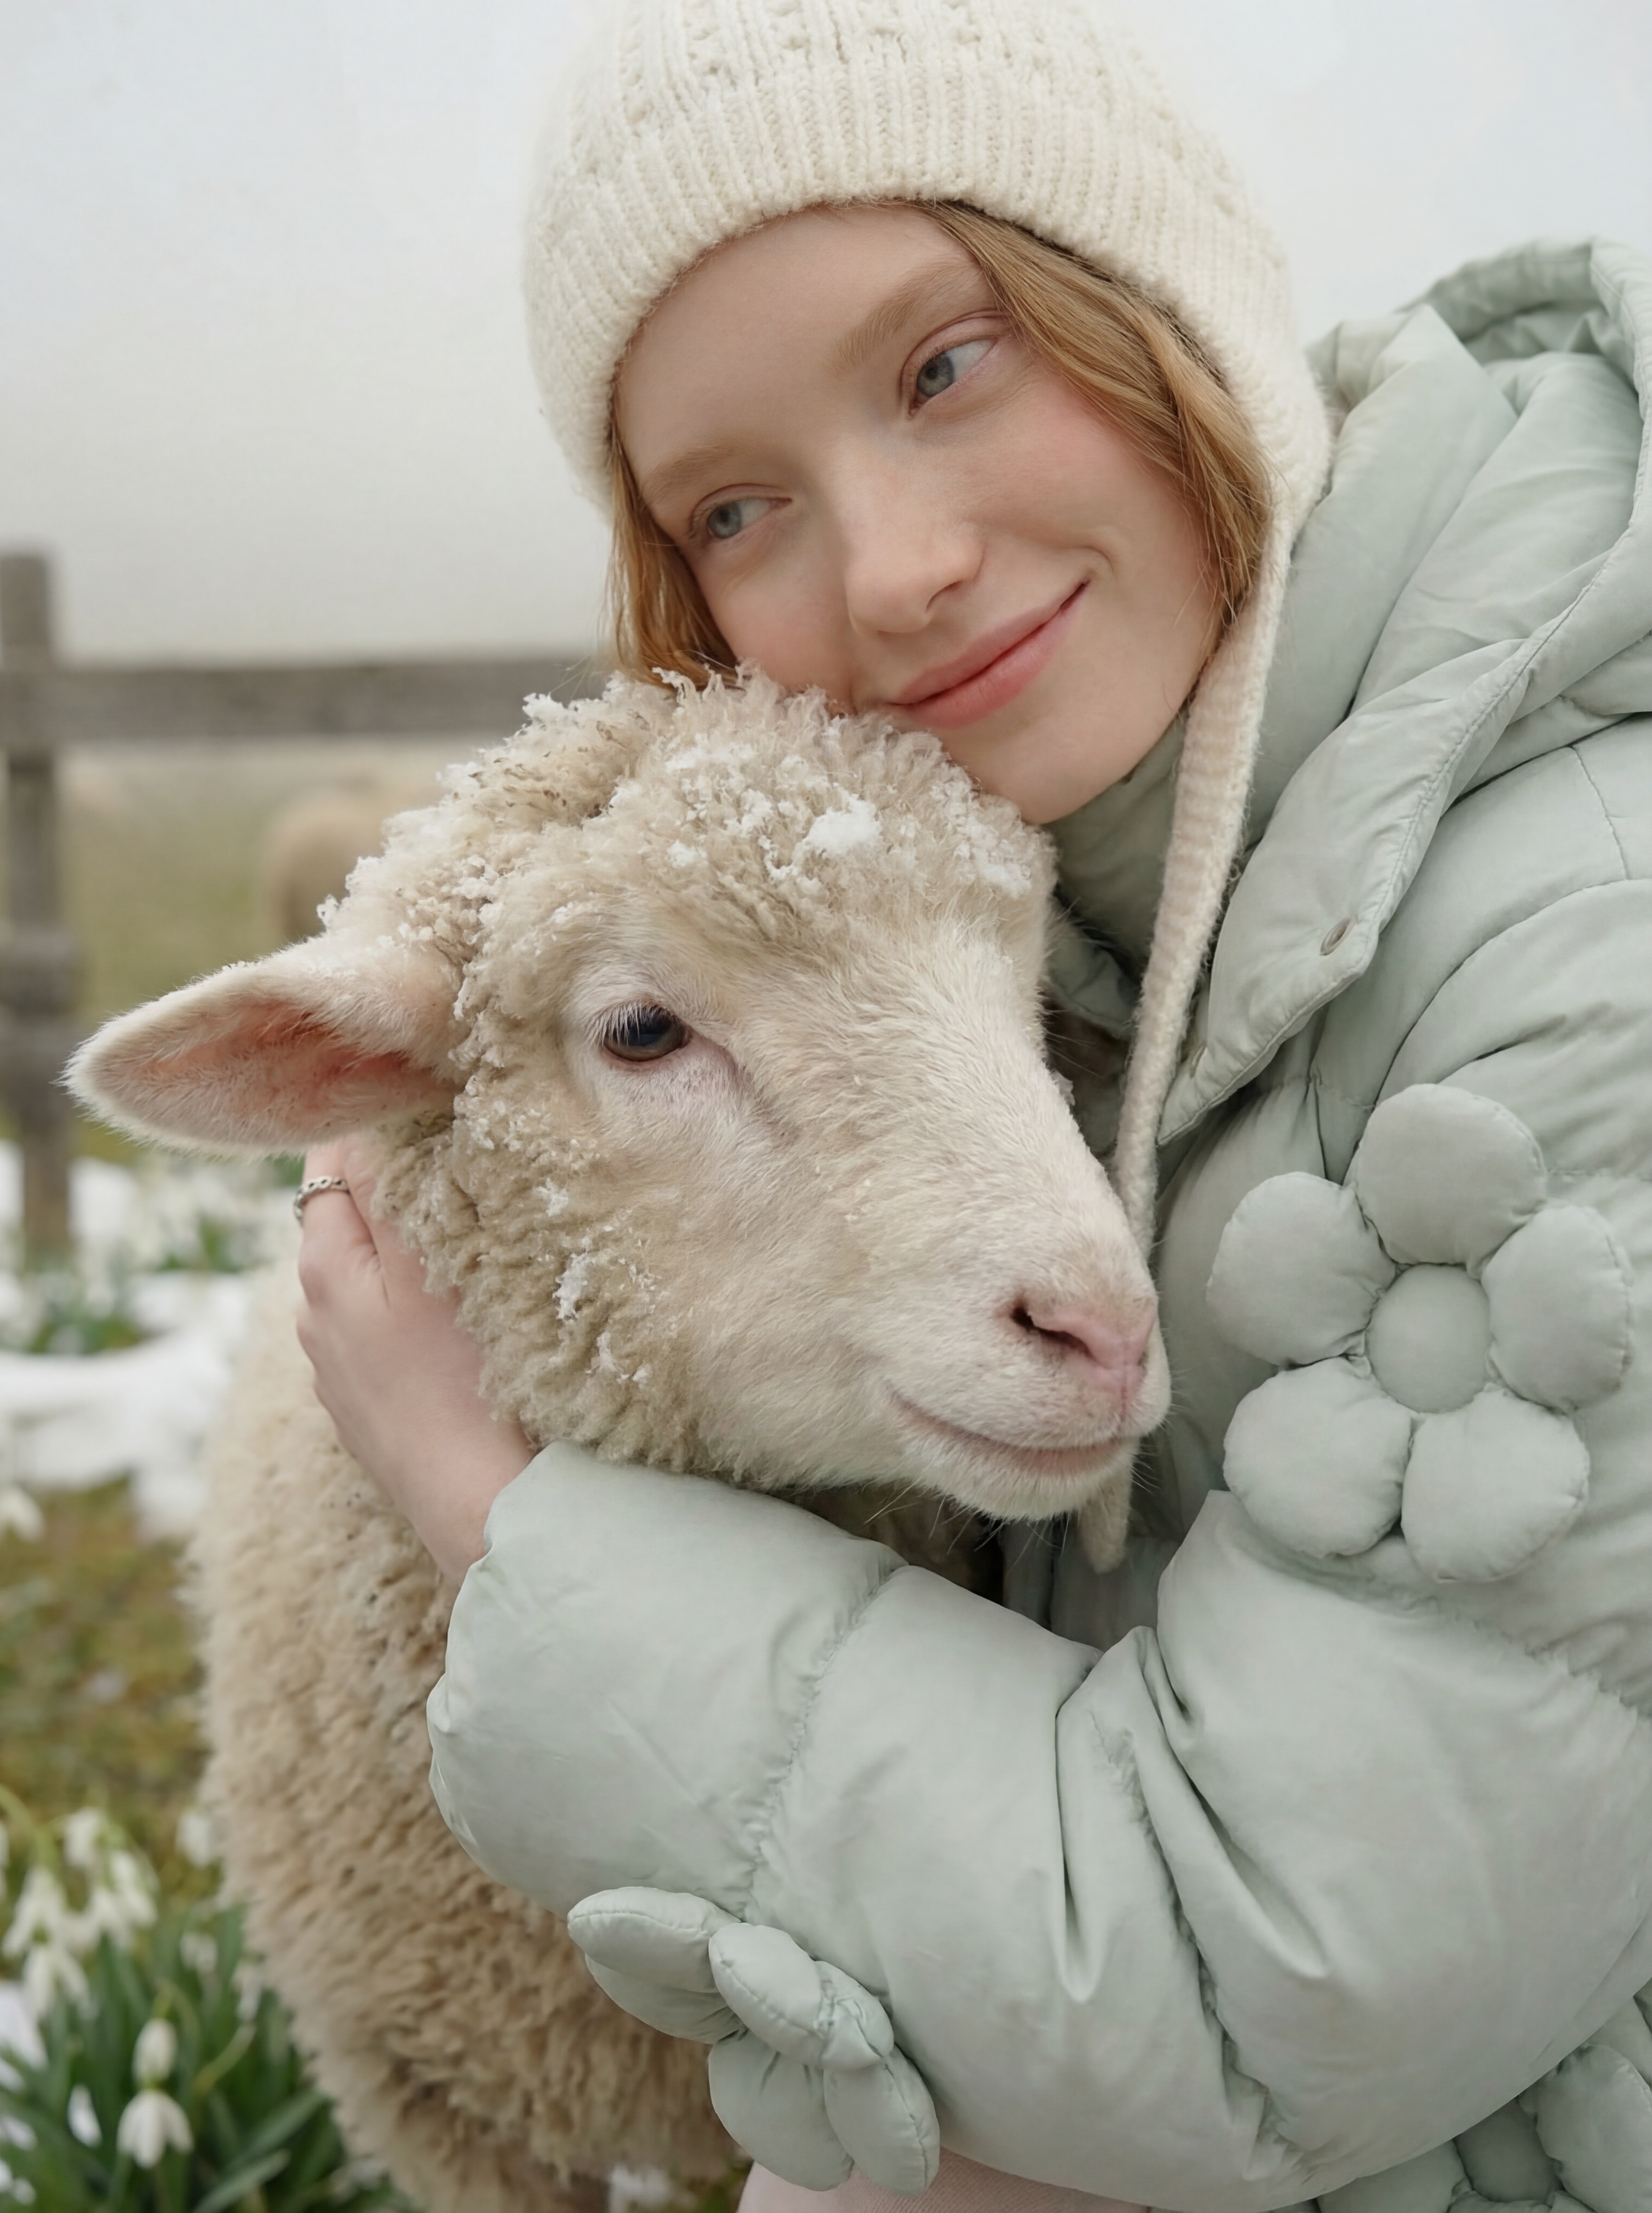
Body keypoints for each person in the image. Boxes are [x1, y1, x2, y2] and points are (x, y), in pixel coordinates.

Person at [293, 1, 1652, 2208]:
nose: (893, 568)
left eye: (945, 364)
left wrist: (507, 1521)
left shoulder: (1585, 944)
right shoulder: (1091, 875)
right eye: (738, 507)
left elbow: (1270, 1991)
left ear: (1157, 289)